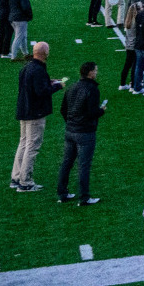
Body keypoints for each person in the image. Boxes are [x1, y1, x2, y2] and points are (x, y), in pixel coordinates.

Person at [13, 43, 64, 192]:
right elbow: (41, 92)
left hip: (24, 109)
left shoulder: (27, 67)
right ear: (45, 53)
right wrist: (58, 86)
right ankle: (25, 181)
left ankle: (16, 177)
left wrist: (48, 82)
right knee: (32, 146)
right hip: (35, 112)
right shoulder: (39, 69)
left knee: (23, 143)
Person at [57, 61, 105, 205]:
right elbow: (91, 113)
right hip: (85, 133)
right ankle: (84, 197)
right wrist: (101, 110)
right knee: (83, 165)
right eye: (95, 70)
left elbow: (63, 110)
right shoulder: (92, 89)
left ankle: (62, 193)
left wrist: (71, 122)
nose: (96, 73)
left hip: (70, 131)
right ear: (90, 73)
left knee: (66, 163)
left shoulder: (72, 87)